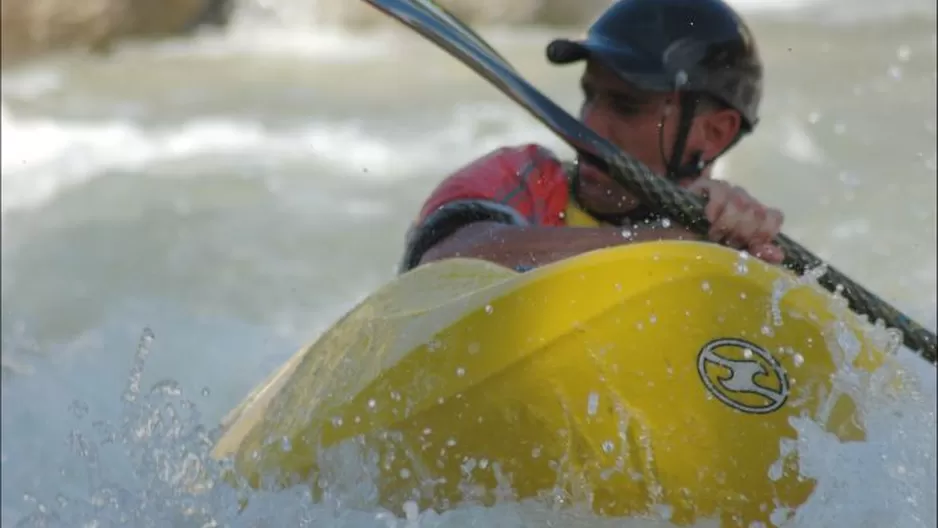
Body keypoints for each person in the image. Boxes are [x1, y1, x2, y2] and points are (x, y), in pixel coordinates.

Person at [399, 0, 785, 274]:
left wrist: (740, 263)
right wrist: (667, 243)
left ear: (714, 132)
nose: (588, 125)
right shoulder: (517, 177)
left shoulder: (737, 249)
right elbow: (444, 263)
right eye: (590, 96)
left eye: (626, 105)